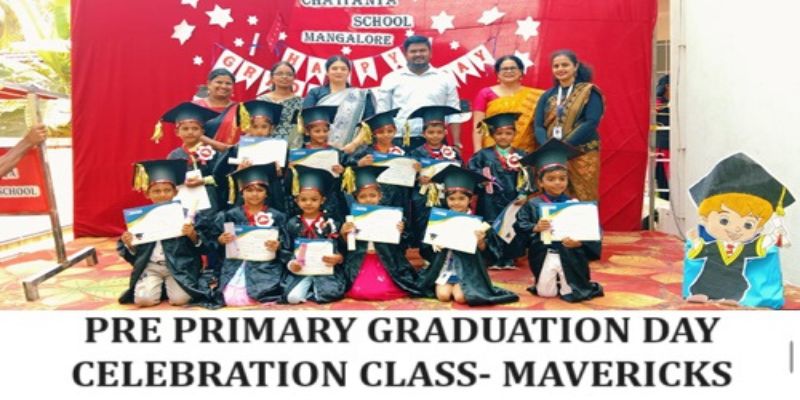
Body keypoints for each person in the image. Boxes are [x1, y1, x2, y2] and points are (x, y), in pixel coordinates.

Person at [685, 153, 793, 307]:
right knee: (705, 281)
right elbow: (699, 250)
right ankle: (701, 294)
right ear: (705, 219)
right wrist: (695, 240)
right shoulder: (713, 246)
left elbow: (761, 246)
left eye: (748, 225)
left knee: (737, 285)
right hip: (709, 279)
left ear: (759, 228)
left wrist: (774, 236)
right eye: (724, 220)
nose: (736, 229)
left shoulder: (746, 248)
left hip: (734, 282)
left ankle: (732, 297)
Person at [514, 139, 604, 302]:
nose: (557, 183)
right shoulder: (533, 204)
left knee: (571, 292)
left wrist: (580, 242)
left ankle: (567, 280)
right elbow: (519, 225)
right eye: (551, 179)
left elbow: (593, 230)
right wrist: (535, 227)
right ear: (540, 182)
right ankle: (554, 279)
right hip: (544, 253)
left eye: (562, 179)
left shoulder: (575, 204)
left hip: (570, 253)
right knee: (545, 293)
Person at [419, 165, 519, 306]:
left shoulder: (478, 224)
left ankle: (461, 286)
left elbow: (491, 256)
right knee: (443, 296)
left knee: (461, 297)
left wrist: (481, 243)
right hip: (445, 267)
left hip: (470, 271)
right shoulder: (439, 220)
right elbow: (425, 250)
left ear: (470, 200)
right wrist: (434, 244)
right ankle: (449, 284)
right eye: (451, 199)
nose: (456, 203)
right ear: (446, 199)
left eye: (461, 198)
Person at [118, 159, 212, 307]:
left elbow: (207, 247)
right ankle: (157, 285)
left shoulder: (188, 215)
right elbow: (133, 254)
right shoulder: (139, 217)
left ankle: (167, 286)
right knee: (143, 301)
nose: (162, 195)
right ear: (147, 193)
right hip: (151, 266)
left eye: (167, 190)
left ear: (176, 192)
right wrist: (129, 244)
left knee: (180, 300)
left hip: (180, 267)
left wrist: (193, 235)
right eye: (156, 191)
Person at [339, 166, 426, 300]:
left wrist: (401, 231)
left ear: (380, 196)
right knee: (359, 291)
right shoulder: (352, 219)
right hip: (361, 261)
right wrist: (344, 235)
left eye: (372, 195)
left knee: (385, 290)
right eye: (363, 196)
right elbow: (347, 248)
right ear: (356, 199)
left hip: (387, 261)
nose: (368, 199)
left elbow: (403, 245)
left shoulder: (391, 216)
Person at [211, 164, 291, 306]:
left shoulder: (277, 216)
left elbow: (287, 245)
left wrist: (278, 246)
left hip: (265, 265)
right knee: (230, 298)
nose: (254, 194)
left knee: (257, 297)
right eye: (249, 190)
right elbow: (212, 242)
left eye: (260, 190)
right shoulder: (230, 215)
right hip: (236, 263)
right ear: (241, 192)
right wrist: (221, 240)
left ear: (267, 193)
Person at [534, 49, 604, 201]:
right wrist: (548, 146)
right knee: (554, 194)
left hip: (582, 153)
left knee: (584, 195)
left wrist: (565, 145)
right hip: (553, 154)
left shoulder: (588, 91)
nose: (560, 69)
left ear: (575, 66)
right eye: (556, 66)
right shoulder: (547, 95)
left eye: (565, 65)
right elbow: (538, 125)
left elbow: (591, 121)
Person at [376, 35, 462, 151]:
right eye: (413, 51)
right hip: (400, 140)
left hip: (435, 140)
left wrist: (456, 144)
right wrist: (384, 144)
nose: (418, 54)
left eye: (422, 50)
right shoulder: (391, 79)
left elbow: (454, 114)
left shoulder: (445, 78)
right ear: (405, 54)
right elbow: (383, 113)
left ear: (430, 53)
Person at [468, 112, 532, 269]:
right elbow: (472, 172)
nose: (504, 137)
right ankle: (492, 257)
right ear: (492, 135)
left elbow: (528, 175)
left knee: (511, 225)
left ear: (514, 134)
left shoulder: (521, 155)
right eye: (499, 133)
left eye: (508, 133)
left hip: (513, 199)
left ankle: (509, 258)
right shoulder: (483, 155)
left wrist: (524, 193)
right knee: (491, 226)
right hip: (489, 199)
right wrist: (481, 181)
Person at [281, 165, 347, 304]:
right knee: (292, 298)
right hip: (301, 270)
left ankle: (313, 290)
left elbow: (341, 247)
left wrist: (338, 258)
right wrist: (291, 263)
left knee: (328, 295)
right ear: (296, 201)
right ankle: (308, 288)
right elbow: (286, 248)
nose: (308, 203)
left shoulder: (331, 223)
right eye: (303, 199)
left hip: (326, 270)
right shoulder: (292, 223)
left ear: (322, 200)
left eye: (314, 199)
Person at [213, 99, 287, 213]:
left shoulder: (279, 148)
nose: (259, 131)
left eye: (264, 127)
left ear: (271, 128)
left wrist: (280, 173)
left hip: (271, 195)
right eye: (255, 127)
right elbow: (219, 175)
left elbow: (289, 179)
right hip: (242, 197)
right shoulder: (236, 149)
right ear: (247, 127)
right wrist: (237, 172)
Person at [406, 105, 463, 247]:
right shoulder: (415, 153)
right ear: (424, 133)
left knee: (444, 223)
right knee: (424, 224)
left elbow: (461, 173)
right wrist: (417, 177)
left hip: (446, 195)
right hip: (423, 196)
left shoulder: (452, 153)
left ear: (445, 132)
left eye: (439, 132)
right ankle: (424, 251)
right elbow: (406, 176)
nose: (435, 135)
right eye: (431, 132)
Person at [287, 105, 349, 222]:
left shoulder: (336, 153)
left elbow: (347, 181)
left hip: (331, 199)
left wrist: (342, 171)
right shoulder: (298, 153)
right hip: (305, 198)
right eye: (317, 131)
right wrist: (290, 169)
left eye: (325, 131)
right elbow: (290, 182)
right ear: (307, 132)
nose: (322, 134)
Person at [302, 55, 376, 152]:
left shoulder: (361, 95)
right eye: (334, 68)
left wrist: (354, 144)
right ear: (327, 72)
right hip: (319, 148)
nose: (339, 71)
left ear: (349, 72)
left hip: (353, 149)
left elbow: (368, 124)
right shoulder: (315, 93)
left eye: (343, 69)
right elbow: (306, 121)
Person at [472, 55, 544, 153]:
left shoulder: (536, 96)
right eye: (504, 69)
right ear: (498, 73)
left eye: (513, 68)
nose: (509, 71)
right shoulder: (485, 93)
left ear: (521, 72)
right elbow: (479, 125)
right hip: (492, 152)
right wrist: (478, 150)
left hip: (525, 152)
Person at [159, 102, 222, 211]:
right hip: (185, 202)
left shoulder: (213, 152)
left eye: (195, 128)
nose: (190, 132)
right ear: (177, 132)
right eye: (185, 129)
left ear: (202, 131)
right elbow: (172, 182)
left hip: (212, 201)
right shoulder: (174, 155)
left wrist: (203, 180)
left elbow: (223, 177)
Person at [258, 61, 304, 149]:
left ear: (294, 78)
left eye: (289, 74)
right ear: (271, 77)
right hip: (264, 148)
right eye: (279, 74)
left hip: (292, 149)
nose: (284, 77)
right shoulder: (261, 101)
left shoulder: (301, 102)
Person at [192, 69, 239, 152]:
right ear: (209, 84)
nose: (223, 86)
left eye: (228, 83)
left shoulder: (240, 109)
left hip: (232, 156)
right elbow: (190, 132)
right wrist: (221, 147)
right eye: (219, 82)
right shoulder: (195, 106)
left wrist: (235, 149)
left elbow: (250, 133)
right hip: (200, 155)